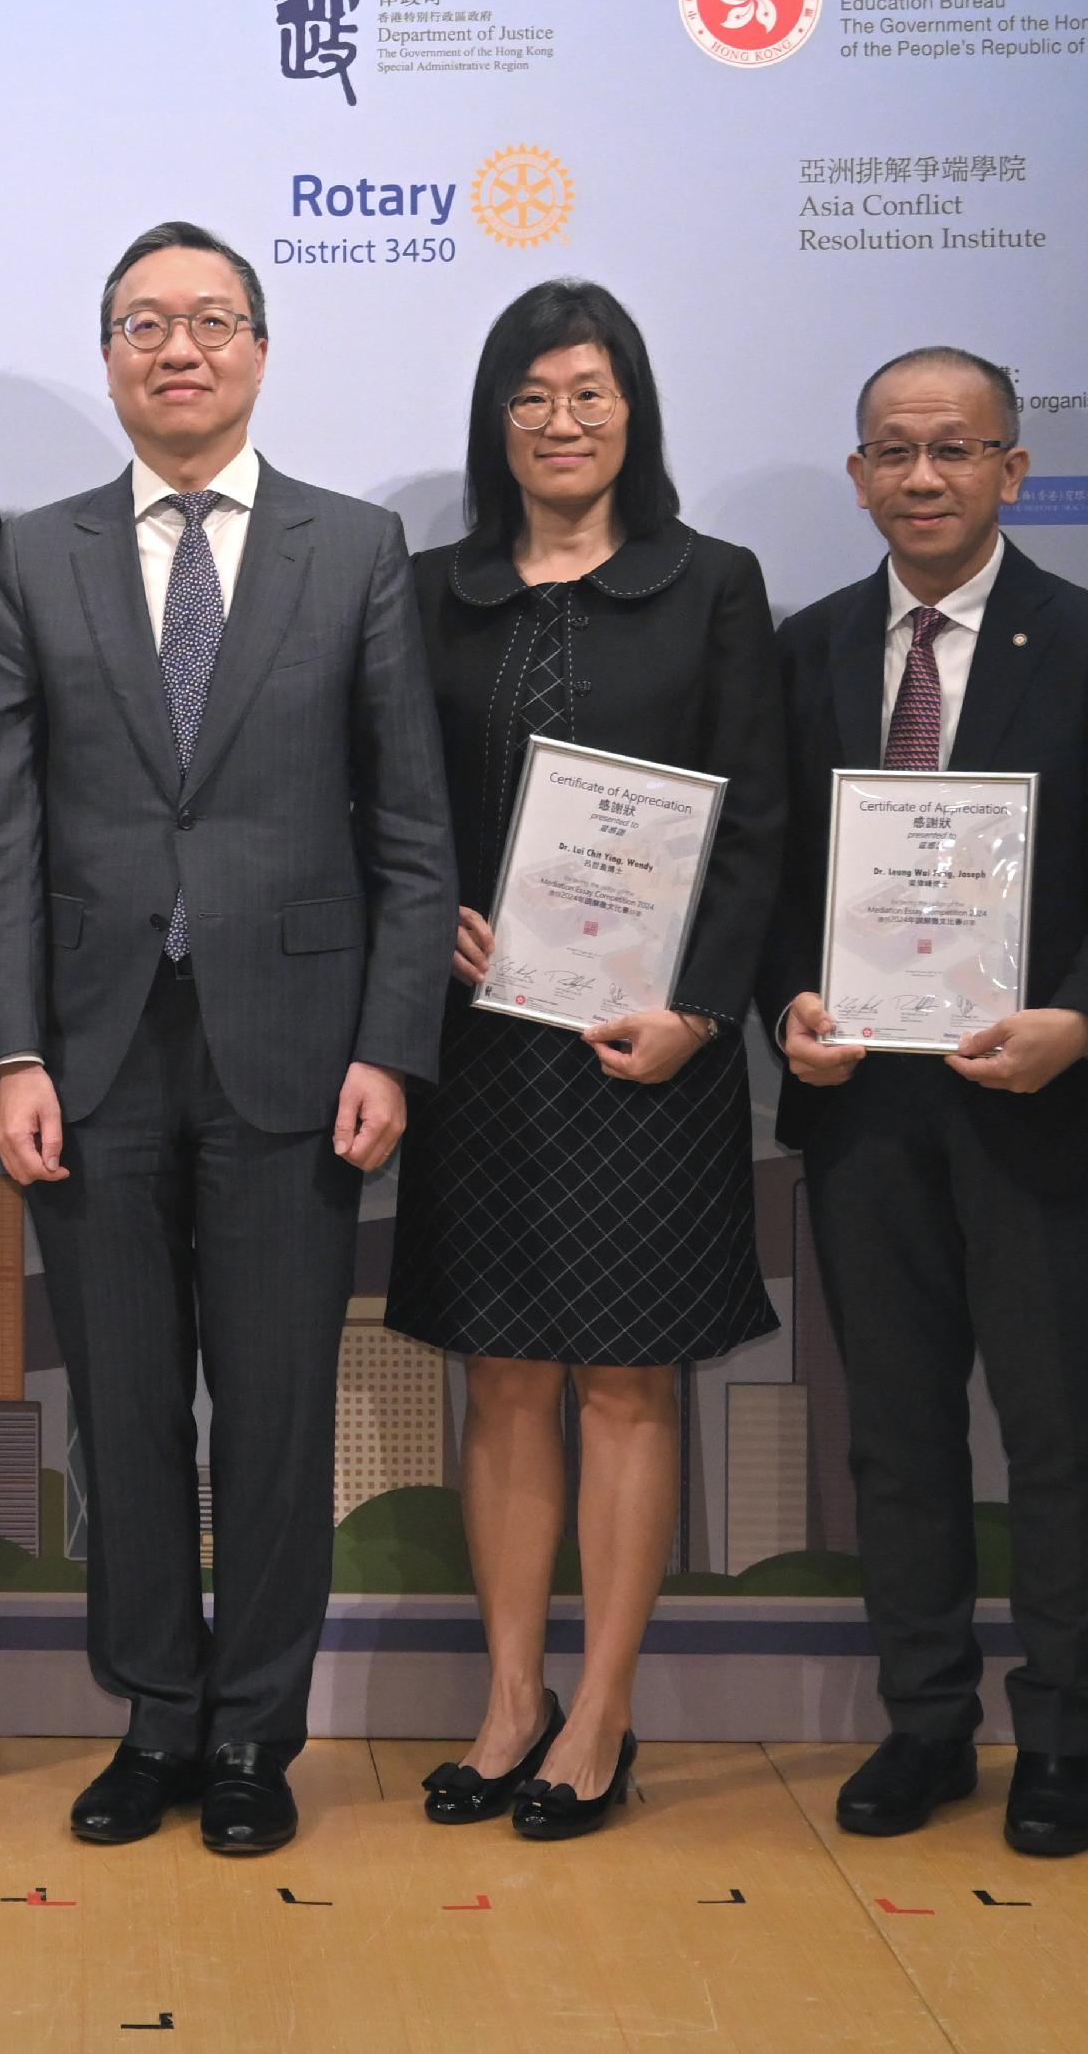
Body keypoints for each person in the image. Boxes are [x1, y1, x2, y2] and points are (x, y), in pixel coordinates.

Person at [0, 222, 451, 1859]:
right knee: (117, 1407)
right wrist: (12, 1050)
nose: (180, 349)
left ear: (259, 347)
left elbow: (409, 827)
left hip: (300, 1049)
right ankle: (154, 1716)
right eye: (144, 325)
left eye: (212, 322)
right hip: (91, 1057)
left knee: (274, 1406)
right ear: (108, 356)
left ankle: (258, 1735)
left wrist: (393, 1041)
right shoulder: (35, 555)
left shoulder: (354, 545)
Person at [765, 347, 1088, 1859]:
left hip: (1041, 1104)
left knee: (1060, 1432)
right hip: (865, 1113)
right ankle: (927, 1724)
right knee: (896, 1436)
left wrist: (1087, 1018)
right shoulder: (803, 650)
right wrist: (786, 1010)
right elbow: (769, 883)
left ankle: (1063, 1737)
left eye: (958, 448)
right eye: (895, 450)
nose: (924, 477)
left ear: (1012, 469)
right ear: (860, 472)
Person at [389, 278, 782, 1842]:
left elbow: (755, 824)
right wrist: (430, 930)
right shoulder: (430, 593)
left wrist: (696, 1005)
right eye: (534, 397)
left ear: (637, 412)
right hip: (485, 1048)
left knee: (626, 1382)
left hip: (649, 1051)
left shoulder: (713, 587)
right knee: (503, 1380)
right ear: (498, 421)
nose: (563, 423)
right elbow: (390, 814)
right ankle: (508, 1698)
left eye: (591, 393)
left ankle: (602, 1711)